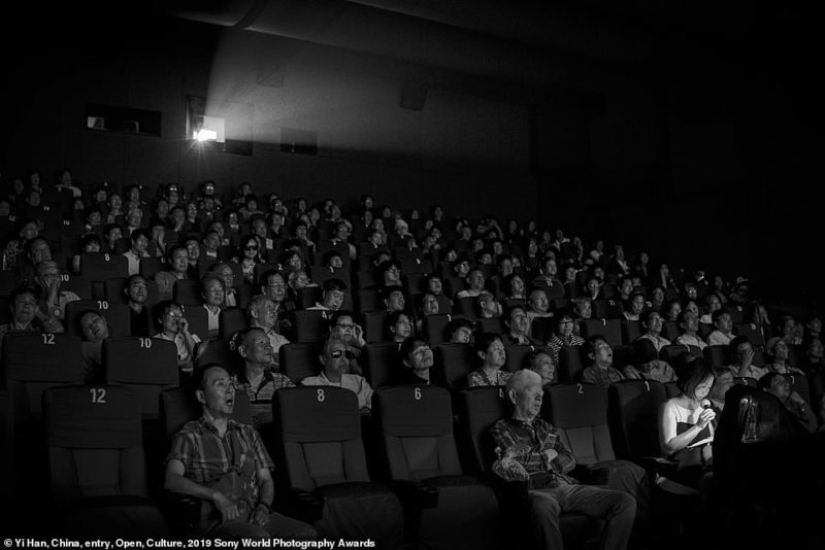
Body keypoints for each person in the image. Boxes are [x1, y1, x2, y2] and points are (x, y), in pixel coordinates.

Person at [164, 363, 317, 540]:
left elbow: (265, 480)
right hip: (218, 518)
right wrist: (215, 496)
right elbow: (172, 480)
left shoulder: (249, 433)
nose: (230, 390)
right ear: (201, 396)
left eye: (230, 384)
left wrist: (264, 507)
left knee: (306, 534)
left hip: (253, 512)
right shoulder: (189, 435)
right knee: (257, 538)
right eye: (220, 384)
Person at [490, 370, 637, 550]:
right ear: (514, 396)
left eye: (541, 394)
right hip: (535, 490)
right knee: (543, 506)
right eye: (532, 392)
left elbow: (569, 459)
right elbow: (516, 461)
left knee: (625, 502)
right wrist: (550, 454)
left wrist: (541, 460)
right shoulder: (501, 428)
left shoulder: (546, 427)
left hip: (566, 485)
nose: (539, 399)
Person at [658, 359, 716, 491]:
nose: (705, 392)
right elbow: (668, 447)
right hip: (683, 467)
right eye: (703, 386)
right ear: (690, 381)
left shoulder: (704, 407)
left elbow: (711, 441)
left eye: (708, 387)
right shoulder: (670, 407)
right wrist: (698, 427)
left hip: (706, 464)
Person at [233, 327, 294, 429]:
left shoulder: (283, 382)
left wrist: (273, 417)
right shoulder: (230, 384)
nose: (268, 347)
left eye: (268, 343)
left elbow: (297, 411)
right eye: (261, 343)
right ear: (243, 351)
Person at [301, 334, 374, 411]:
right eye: (337, 354)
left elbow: (377, 406)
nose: (344, 359)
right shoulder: (308, 386)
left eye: (346, 354)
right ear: (323, 359)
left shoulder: (360, 382)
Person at [153, 301, 201, 380]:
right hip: (167, 379)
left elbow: (200, 357)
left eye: (179, 315)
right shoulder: (154, 341)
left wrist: (185, 333)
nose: (176, 319)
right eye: (172, 314)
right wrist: (181, 363)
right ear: (160, 319)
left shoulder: (190, 337)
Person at [33, 259, 81, 333]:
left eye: (57, 275)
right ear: (37, 280)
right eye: (49, 275)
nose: (55, 279)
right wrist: (51, 297)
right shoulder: (31, 300)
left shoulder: (71, 296)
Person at [246, 294, 290, 372]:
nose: (274, 312)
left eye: (275, 309)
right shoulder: (247, 338)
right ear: (255, 313)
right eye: (269, 308)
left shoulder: (280, 338)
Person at [78, 310, 110, 384]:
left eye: (95, 320)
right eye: (87, 327)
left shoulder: (123, 341)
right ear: (84, 335)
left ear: (104, 320)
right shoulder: (83, 348)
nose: (92, 326)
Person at [200, 274, 225, 339]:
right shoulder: (197, 315)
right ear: (204, 294)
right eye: (213, 290)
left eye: (221, 289)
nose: (218, 293)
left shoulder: (226, 314)